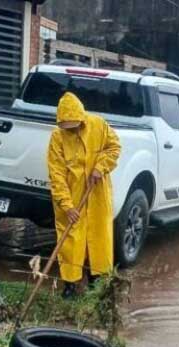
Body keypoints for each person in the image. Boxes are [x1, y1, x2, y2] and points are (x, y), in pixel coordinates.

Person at [47, 92, 121, 299]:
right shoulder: (57, 137)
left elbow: (114, 147)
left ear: (81, 119)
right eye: (66, 127)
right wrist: (66, 205)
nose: (70, 131)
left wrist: (101, 166)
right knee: (71, 240)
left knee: (99, 238)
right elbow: (57, 173)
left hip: (96, 193)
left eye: (73, 126)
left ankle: (96, 283)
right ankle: (70, 285)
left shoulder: (99, 125)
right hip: (72, 195)